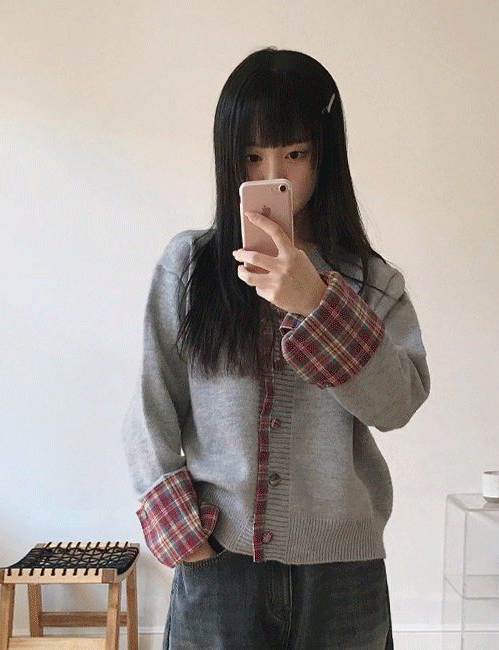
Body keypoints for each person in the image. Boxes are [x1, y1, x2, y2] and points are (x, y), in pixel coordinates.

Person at [122, 47, 430, 650]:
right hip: (219, 562)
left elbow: (398, 405)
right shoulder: (190, 268)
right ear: (228, 159)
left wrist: (317, 302)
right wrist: (188, 541)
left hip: (344, 577)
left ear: (324, 154)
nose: (273, 172)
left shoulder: (371, 281)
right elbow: (149, 409)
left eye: (295, 154)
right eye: (252, 156)